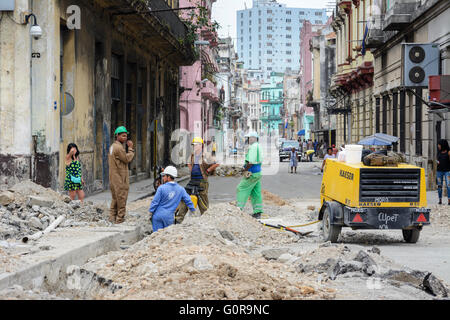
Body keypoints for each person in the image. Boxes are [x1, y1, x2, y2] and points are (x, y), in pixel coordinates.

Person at [175, 137, 219, 224]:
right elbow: (189, 163)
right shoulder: (192, 155)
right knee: (186, 199)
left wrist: (208, 170)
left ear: (200, 145)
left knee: (202, 201)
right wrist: (191, 168)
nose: (194, 147)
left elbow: (216, 163)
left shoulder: (206, 155)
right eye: (193, 145)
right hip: (193, 180)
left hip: (202, 181)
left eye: (195, 145)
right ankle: (179, 219)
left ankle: (207, 220)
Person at [149, 166, 195, 232]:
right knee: (167, 237)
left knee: (156, 236)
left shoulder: (161, 188)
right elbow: (188, 201)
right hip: (169, 217)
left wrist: (150, 212)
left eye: (164, 176)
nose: (163, 177)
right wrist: (192, 210)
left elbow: (155, 202)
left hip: (158, 216)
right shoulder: (181, 189)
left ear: (169, 177)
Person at [108, 126, 135, 224]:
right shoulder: (118, 148)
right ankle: (119, 219)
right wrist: (131, 149)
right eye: (123, 136)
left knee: (115, 198)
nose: (125, 138)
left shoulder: (112, 146)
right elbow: (127, 159)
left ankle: (112, 218)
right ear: (117, 135)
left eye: (126, 136)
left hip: (113, 177)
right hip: (119, 177)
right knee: (121, 198)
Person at [236, 132, 264, 219]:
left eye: (249, 138)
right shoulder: (258, 146)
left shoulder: (253, 147)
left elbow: (250, 161)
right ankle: (258, 211)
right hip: (258, 172)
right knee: (255, 192)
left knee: (241, 188)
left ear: (253, 138)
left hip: (252, 173)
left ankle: (238, 209)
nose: (248, 140)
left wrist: (245, 170)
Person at [437, 139, 450, 205]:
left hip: (447, 171)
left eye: (439, 144)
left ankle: (449, 200)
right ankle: (440, 200)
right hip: (439, 171)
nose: (438, 146)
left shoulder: (448, 152)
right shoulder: (439, 151)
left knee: (448, 185)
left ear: (443, 145)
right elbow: (437, 159)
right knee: (439, 186)